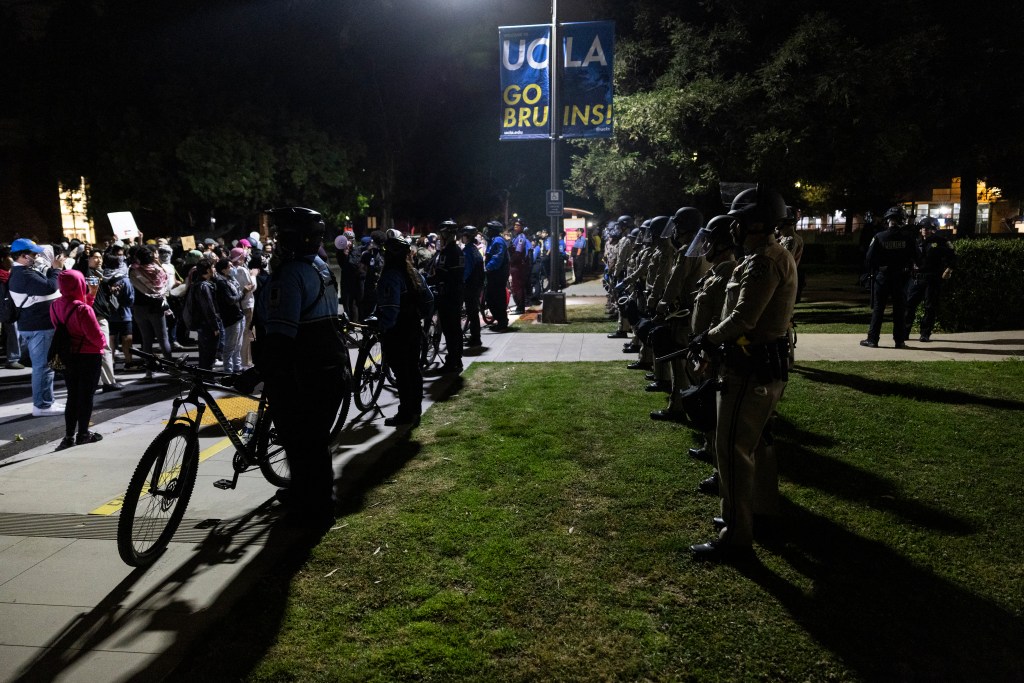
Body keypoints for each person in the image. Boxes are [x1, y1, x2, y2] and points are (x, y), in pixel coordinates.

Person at [688, 187, 796, 562]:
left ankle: (736, 535)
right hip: (764, 366)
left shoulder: (763, 261)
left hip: (749, 369)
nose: (732, 229)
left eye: (737, 221)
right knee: (758, 446)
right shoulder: (768, 256)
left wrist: (707, 336)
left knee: (732, 450)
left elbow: (744, 318)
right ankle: (762, 513)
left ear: (753, 222)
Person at [254, 207, 347, 527]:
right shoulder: (319, 266)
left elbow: (281, 335)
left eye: (280, 234)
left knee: (304, 442)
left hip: (306, 372)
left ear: (291, 238)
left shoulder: (290, 274)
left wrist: (258, 371)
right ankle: (305, 493)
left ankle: (318, 511)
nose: (276, 241)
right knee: (310, 442)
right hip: (330, 365)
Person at [373, 233, 434, 426]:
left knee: (402, 374)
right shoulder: (413, 273)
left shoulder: (390, 276)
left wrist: (382, 326)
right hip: (414, 327)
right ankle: (415, 409)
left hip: (398, 332)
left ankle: (406, 414)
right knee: (413, 370)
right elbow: (429, 299)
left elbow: (391, 310)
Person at [50, 269, 106, 450]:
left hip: (68, 355)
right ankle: (83, 433)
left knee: (72, 395)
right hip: (89, 355)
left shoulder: (54, 305)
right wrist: (103, 344)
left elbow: (69, 320)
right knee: (86, 396)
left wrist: (90, 297)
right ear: (80, 284)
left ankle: (68, 436)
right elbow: (95, 335)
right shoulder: (83, 309)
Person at [8, 238, 65, 416]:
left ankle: (47, 402)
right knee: (43, 367)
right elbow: (49, 287)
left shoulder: (25, 271)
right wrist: (56, 269)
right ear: (23, 256)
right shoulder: (23, 274)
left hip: (38, 325)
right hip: (38, 326)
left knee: (46, 366)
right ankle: (42, 405)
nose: (37, 256)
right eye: (33, 253)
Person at [861, 205, 918, 349]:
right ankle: (899, 341)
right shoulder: (908, 238)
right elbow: (918, 257)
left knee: (879, 309)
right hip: (901, 277)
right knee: (900, 310)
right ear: (902, 221)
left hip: (883, 277)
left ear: (888, 221)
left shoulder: (879, 237)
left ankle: (873, 340)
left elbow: (869, 258)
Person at [904, 217, 956, 342]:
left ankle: (925, 334)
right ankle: (904, 332)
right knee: (909, 306)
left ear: (933, 229)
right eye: (922, 228)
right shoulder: (916, 241)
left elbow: (953, 257)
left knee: (930, 307)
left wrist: (949, 269)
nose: (924, 230)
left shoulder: (941, 242)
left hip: (932, 279)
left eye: (927, 228)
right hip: (916, 279)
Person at [129, 246, 172, 378]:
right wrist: (157, 262)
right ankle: (172, 368)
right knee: (163, 338)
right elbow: (166, 282)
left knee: (146, 339)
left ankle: (149, 371)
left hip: (139, 308)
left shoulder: (134, 271)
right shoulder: (159, 270)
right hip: (156, 307)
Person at [85, 249, 123, 392]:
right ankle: (108, 381)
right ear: (88, 259)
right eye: (95, 257)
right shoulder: (89, 274)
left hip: (97, 314)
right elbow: (92, 294)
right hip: (97, 315)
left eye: (100, 257)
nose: (99, 260)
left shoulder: (98, 273)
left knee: (98, 348)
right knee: (105, 347)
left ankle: (100, 381)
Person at [430, 221, 465, 373]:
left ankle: (455, 360)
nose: (440, 237)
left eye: (442, 234)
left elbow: (454, 276)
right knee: (449, 329)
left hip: (451, 296)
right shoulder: (445, 251)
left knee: (453, 330)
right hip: (446, 295)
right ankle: (453, 358)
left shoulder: (455, 252)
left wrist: (440, 279)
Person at [188, 261, 221, 370]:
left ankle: (204, 378)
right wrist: (215, 327)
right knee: (209, 354)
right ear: (207, 270)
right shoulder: (204, 286)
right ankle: (207, 379)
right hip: (207, 325)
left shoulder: (197, 284)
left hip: (202, 324)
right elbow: (209, 308)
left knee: (204, 353)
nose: (214, 269)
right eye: (213, 267)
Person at [214, 258, 244, 373]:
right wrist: (243, 293)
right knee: (230, 345)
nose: (233, 268)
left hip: (239, 315)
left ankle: (237, 366)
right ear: (223, 270)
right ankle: (228, 369)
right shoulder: (221, 283)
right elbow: (231, 300)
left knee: (238, 344)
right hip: (231, 317)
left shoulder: (231, 279)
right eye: (230, 266)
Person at [229, 247, 257, 367]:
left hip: (238, 304)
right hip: (247, 304)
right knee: (247, 333)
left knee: (241, 333)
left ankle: (241, 360)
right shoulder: (242, 270)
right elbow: (251, 286)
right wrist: (254, 275)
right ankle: (246, 360)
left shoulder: (231, 269)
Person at [483, 220, 510, 331]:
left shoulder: (498, 241)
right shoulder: (492, 240)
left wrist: (487, 267)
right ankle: (500, 320)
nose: (487, 231)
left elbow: (497, 258)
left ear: (494, 231)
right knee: (491, 298)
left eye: (489, 229)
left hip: (497, 274)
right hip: (494, 274)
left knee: (496, 298)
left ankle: (502, 322)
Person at [461, 225, 484, 347]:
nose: (462, 238)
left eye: (463, 236)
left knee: (472, 312)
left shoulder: (467, 251)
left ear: (467, 237)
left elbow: (466, 270)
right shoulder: (474, 249)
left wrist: (460, 282)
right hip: (477, 285)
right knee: (473, 312)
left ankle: (475, 338)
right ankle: (475, 336)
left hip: (470, 286)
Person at [508, 219, 530, 313]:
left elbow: (518, 252)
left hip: (518, 265)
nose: (515, 227)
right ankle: (519, 307)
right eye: (515, 225)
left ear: (522, 227)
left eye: (518, 225)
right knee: (516, 286)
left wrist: (511, 261)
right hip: (516, 265)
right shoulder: (516, 237)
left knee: (518, 286)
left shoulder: (521, 237)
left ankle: (520, 307)